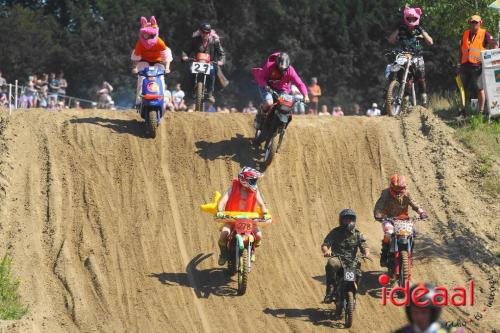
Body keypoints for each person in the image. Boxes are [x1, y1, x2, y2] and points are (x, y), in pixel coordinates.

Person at [216, 167, 269, 264]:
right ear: (243, 180)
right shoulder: (233, 188)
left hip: (249, 220)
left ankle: (252, 250)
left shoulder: (255, 191)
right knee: (224, 233)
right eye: (252, 180)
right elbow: (223, 201)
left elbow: (261, 204)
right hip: (232, 219)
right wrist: (220, 211)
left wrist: (265, 213)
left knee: (258, 236)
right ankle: (223, 254)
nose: (254, 182)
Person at [374, 175, 427, 267]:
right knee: (389, 232)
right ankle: (384, 254)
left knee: (412, 233)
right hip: (388, 219)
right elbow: (379, 205)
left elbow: (414, 204)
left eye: (401, 188)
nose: (398, 191)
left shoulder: (406, 194)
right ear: (391, 186)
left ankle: (409, 257)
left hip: (404, 220)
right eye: (396, 188)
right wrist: (378, 214)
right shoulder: (386, 193)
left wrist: (421, 212)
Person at [321, 209, 370, 304]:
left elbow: (364, 246)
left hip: (351, 260)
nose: (348, 222)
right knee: (331, 264)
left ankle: (353, 292)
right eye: (346, 220)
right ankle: (330, 291)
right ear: (341, 220)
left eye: (350, 219)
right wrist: (327, 251)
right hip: (338, 258)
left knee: (358, 273)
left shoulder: (357, 233)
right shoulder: (335, 232)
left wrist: (366, 253)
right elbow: (325, 244)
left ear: (354, 220)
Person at [388, 5, 433, 107]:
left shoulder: (419, 29)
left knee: (421, 78)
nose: (411, 20)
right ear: (406, 18)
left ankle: (424, 99)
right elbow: (390, 40)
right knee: (405, 78)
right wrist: (398, 30)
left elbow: (430, 42)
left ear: (417, 18)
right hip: (403, 56)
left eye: (413, 18)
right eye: (409, 18)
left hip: (417, 56)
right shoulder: (401, 29)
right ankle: (404, 101)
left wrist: (421, 31)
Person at [252, 52, 310, 129]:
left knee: (285, 106)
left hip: (282, 90)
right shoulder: (269, 66)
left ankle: (279, 125)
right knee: (269, 103)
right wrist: (265, 85)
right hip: (267, 87)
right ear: (276, 64)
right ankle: (259, 118)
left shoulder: (291, 71)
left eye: (285, 69)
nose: (282, 71)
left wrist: (305, 95)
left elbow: (300, 83)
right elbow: (261, 77)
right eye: (280, 69)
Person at [458, 15, 498, 114]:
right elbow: (461, 49)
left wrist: (491, 54)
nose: (473, 24)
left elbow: (494, 44)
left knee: (479, 88)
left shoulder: (485, 33)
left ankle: (481, 112)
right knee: (462, 88)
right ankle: (462, 110)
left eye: (476, 22)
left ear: (481, 22)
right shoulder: (465, 33)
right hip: (464, 65)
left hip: (477, 66)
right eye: (472, 22)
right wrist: (459, 63)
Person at [131, 16, 172, 106]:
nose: (145, 36)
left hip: (158, 62)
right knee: (141, 79)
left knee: (160, 79)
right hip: (144, 61)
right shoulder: (140, 43)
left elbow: (166, 54)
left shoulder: (159, 42)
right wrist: (134, 68)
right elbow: (136, 56)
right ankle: (139, 101)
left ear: (152, 34)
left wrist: (167, 67)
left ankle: (161, 99)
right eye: (144, 34)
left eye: (147, 34)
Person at [394, 283, 465, 333]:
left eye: (424, 312)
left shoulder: (453, 331)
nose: (419, 317)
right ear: (409, 312)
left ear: (434, 312)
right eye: (415, 312)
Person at [181, 22, 226, 99]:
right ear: (200, 32)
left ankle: (210, 93)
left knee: (212, 71)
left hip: (210, 63)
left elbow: (222, 53)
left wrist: (221, 60)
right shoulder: (194, 40)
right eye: (203, 32)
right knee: (189, 70)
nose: (204, 34)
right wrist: (185, 56)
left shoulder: (215, 41)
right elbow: (185, 50)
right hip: (197, 62)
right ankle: (190, 91)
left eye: (206, 32)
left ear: (209, 32)